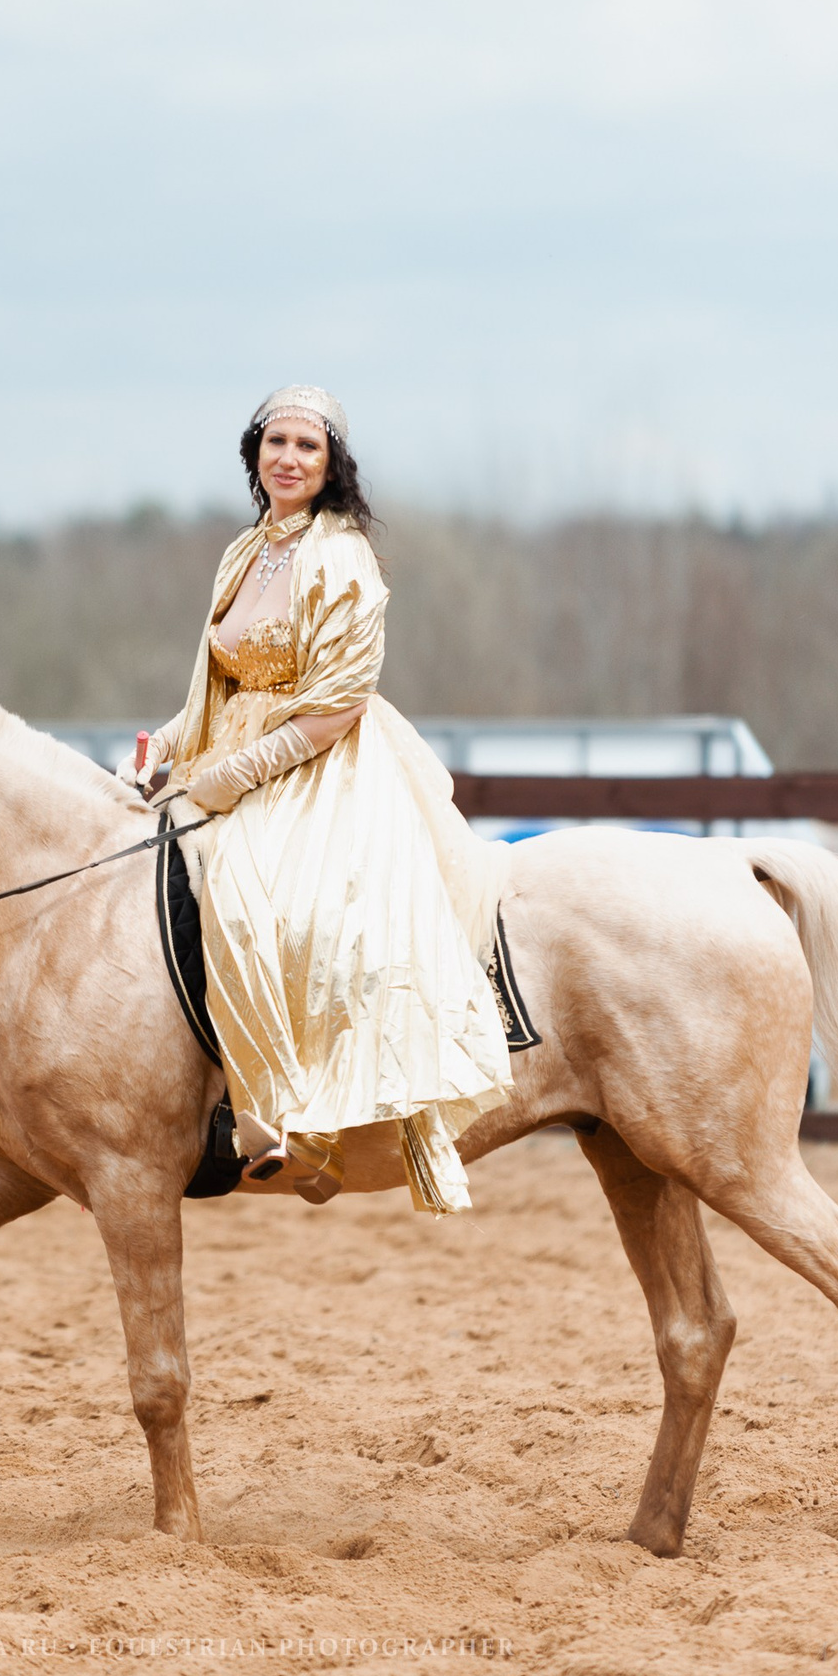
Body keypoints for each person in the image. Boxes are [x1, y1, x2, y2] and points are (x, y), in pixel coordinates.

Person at [118, 386, 513, 1214]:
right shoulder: (243, 551)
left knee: (245, 888)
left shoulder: (343, 556)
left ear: (330, 465)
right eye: (277, 443)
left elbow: (337, 707)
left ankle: (287, 1122)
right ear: (255, 453)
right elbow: (214, 689)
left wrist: (231, 777)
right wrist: (161, 745)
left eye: (307, 446)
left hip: (319, 760)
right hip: (231, 750)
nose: (289, 458)